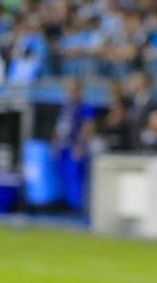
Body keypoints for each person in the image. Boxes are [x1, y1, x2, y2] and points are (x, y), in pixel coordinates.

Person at [53, 78, 96, 213]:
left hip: (75, 146)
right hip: (64, 145)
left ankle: (77, 207)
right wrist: (56, 141)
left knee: (76, 177)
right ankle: (66, 203)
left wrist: (81, 145)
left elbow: (88, 126)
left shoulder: (85, 106)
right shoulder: (67, 106)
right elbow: (61, 126)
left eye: (72, 90)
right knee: (65, 175)